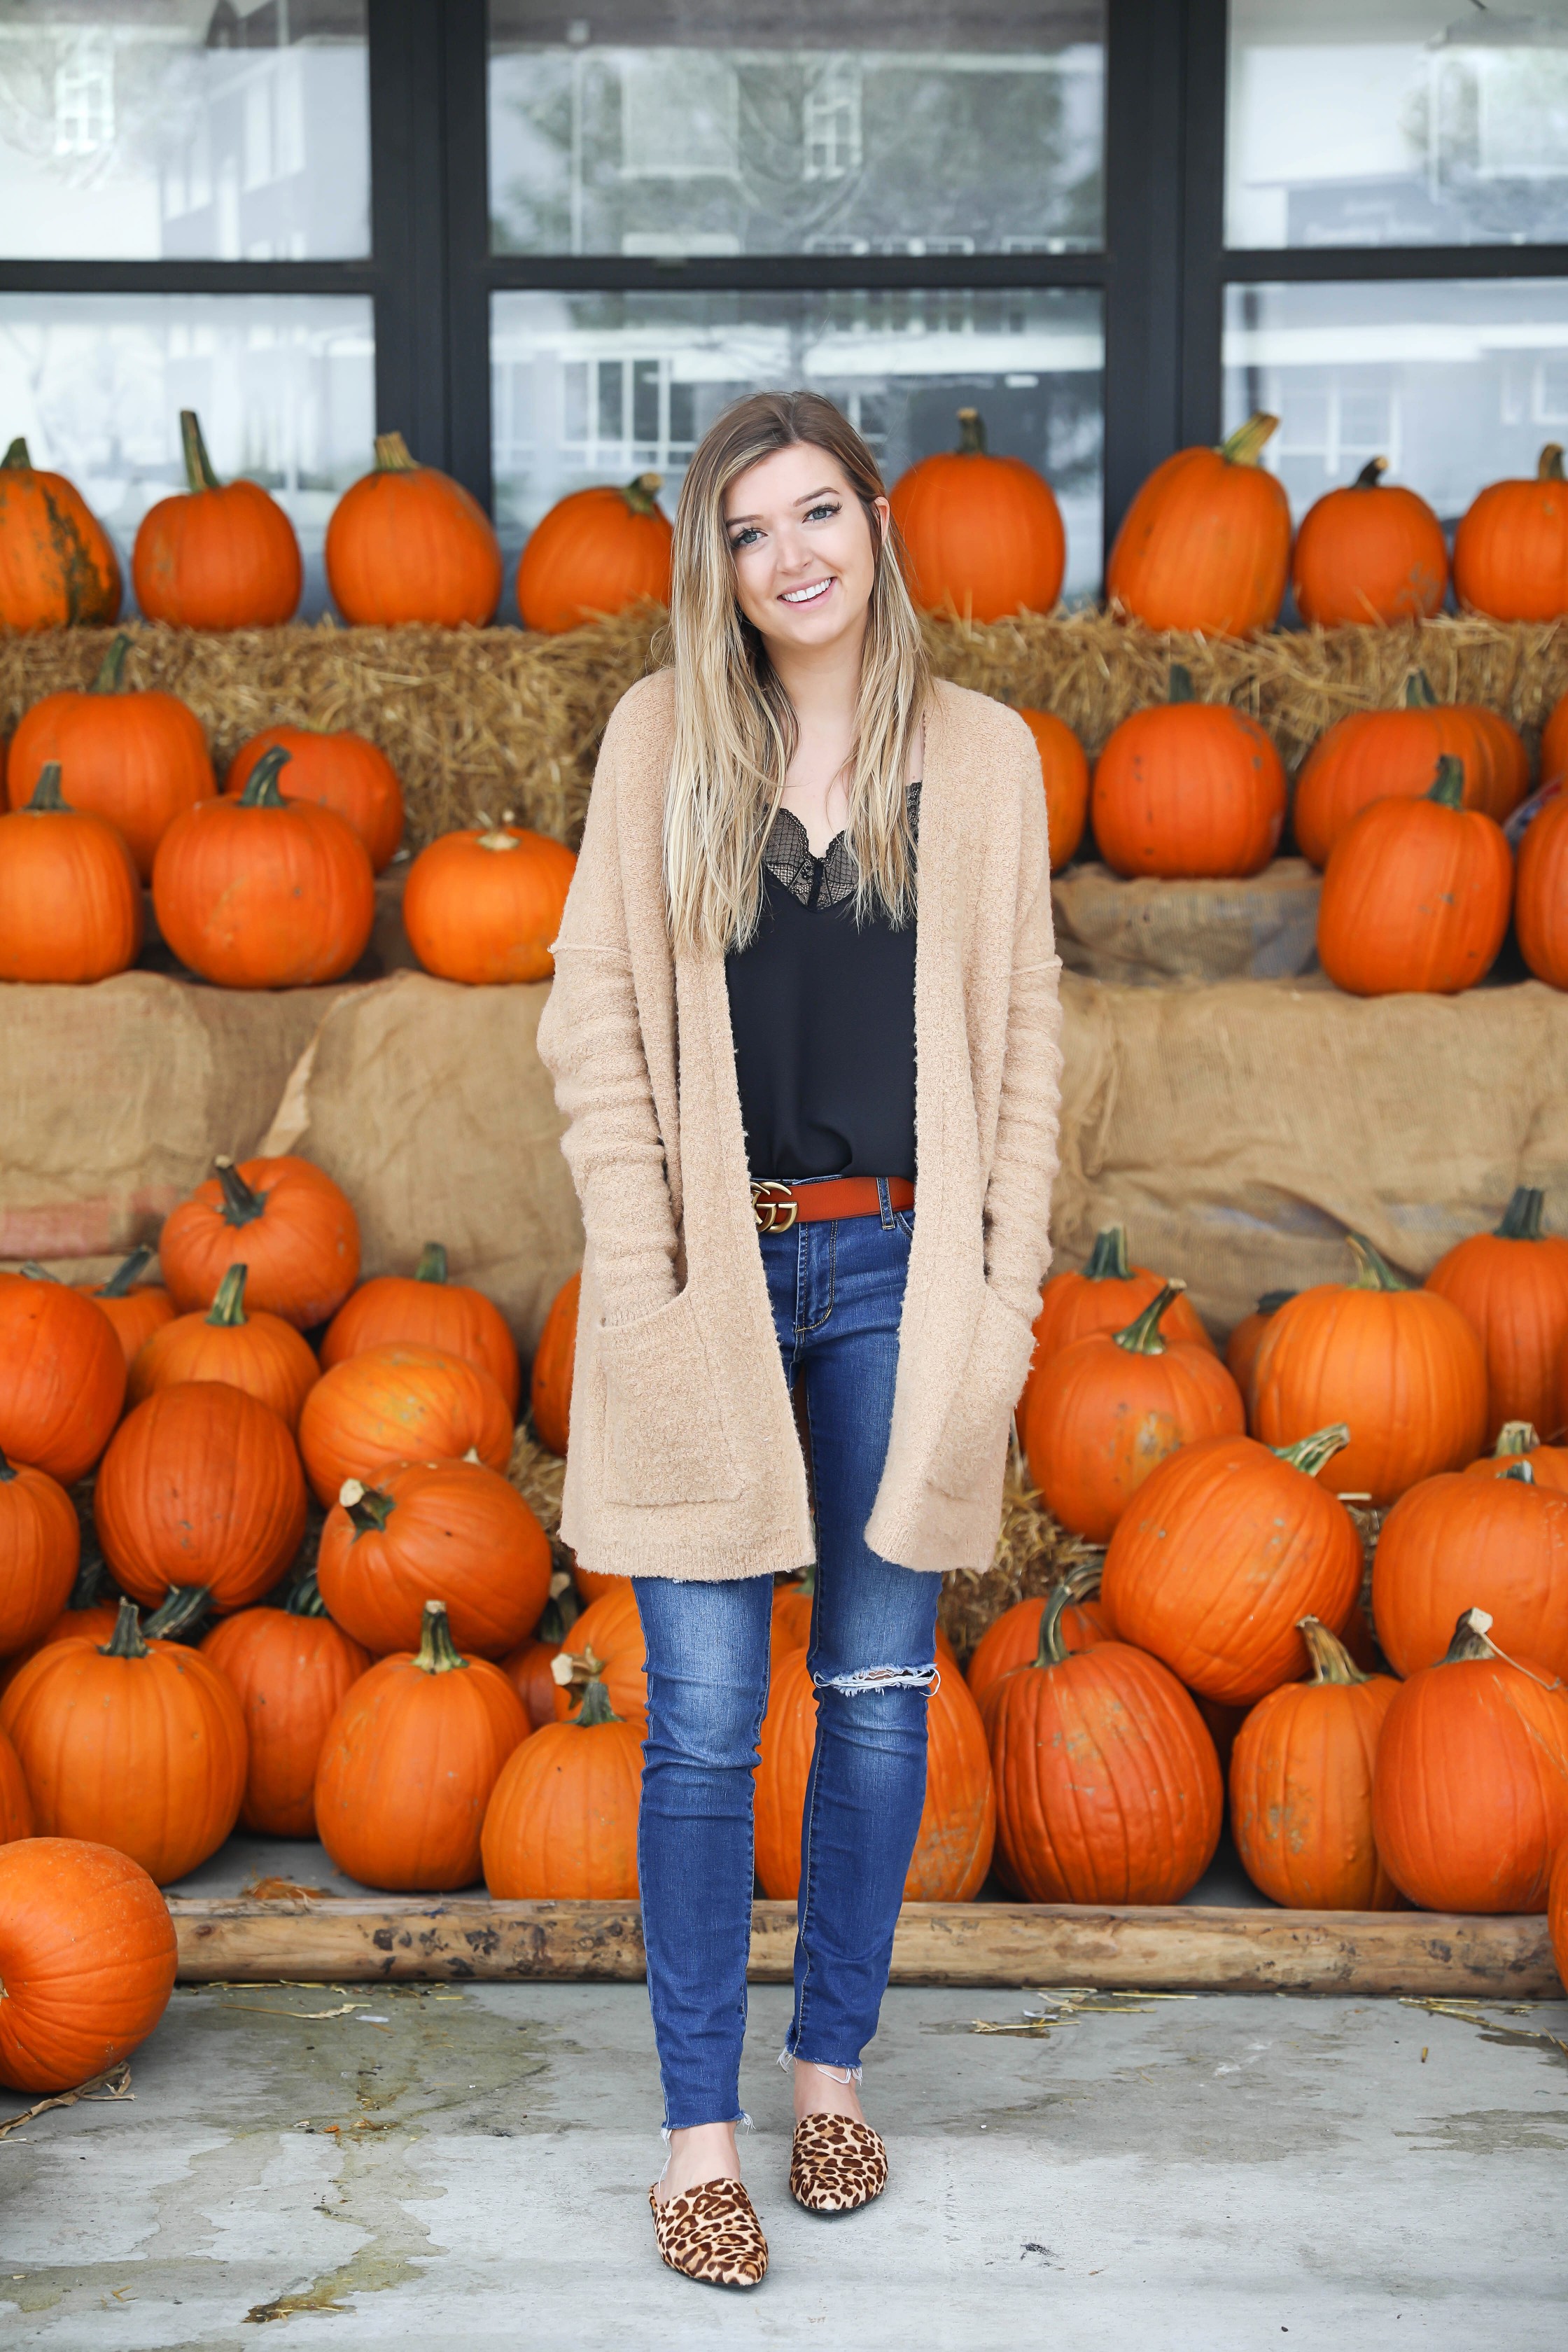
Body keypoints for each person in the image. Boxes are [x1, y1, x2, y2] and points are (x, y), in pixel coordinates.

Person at [536, 389, 1062, 2290]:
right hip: (712, 1293)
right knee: (696, 1720)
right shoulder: (659, 742)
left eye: (816, 512)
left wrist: (999, 1312)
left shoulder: (986, 763)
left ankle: (827, 2073)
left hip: (902, 1287)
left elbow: (1020, 1065)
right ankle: (697, 2133)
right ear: (716, 563)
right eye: (749, 530)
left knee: (873, 1698)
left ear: (879, 518)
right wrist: (647, 1260)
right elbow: (596, 1025)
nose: (791, 557)